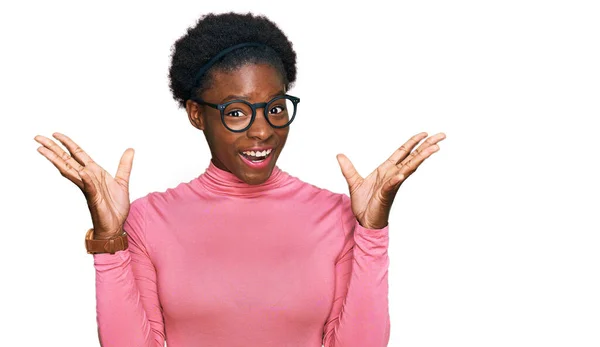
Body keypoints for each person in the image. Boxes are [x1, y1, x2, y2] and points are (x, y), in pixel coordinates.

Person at [34, 12, 445, 347]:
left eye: (276, 108)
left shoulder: (336, 215)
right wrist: (110, 241)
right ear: (197, 114)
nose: (262, 130)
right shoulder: (147, 220)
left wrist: (371, 232)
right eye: (236, 112)